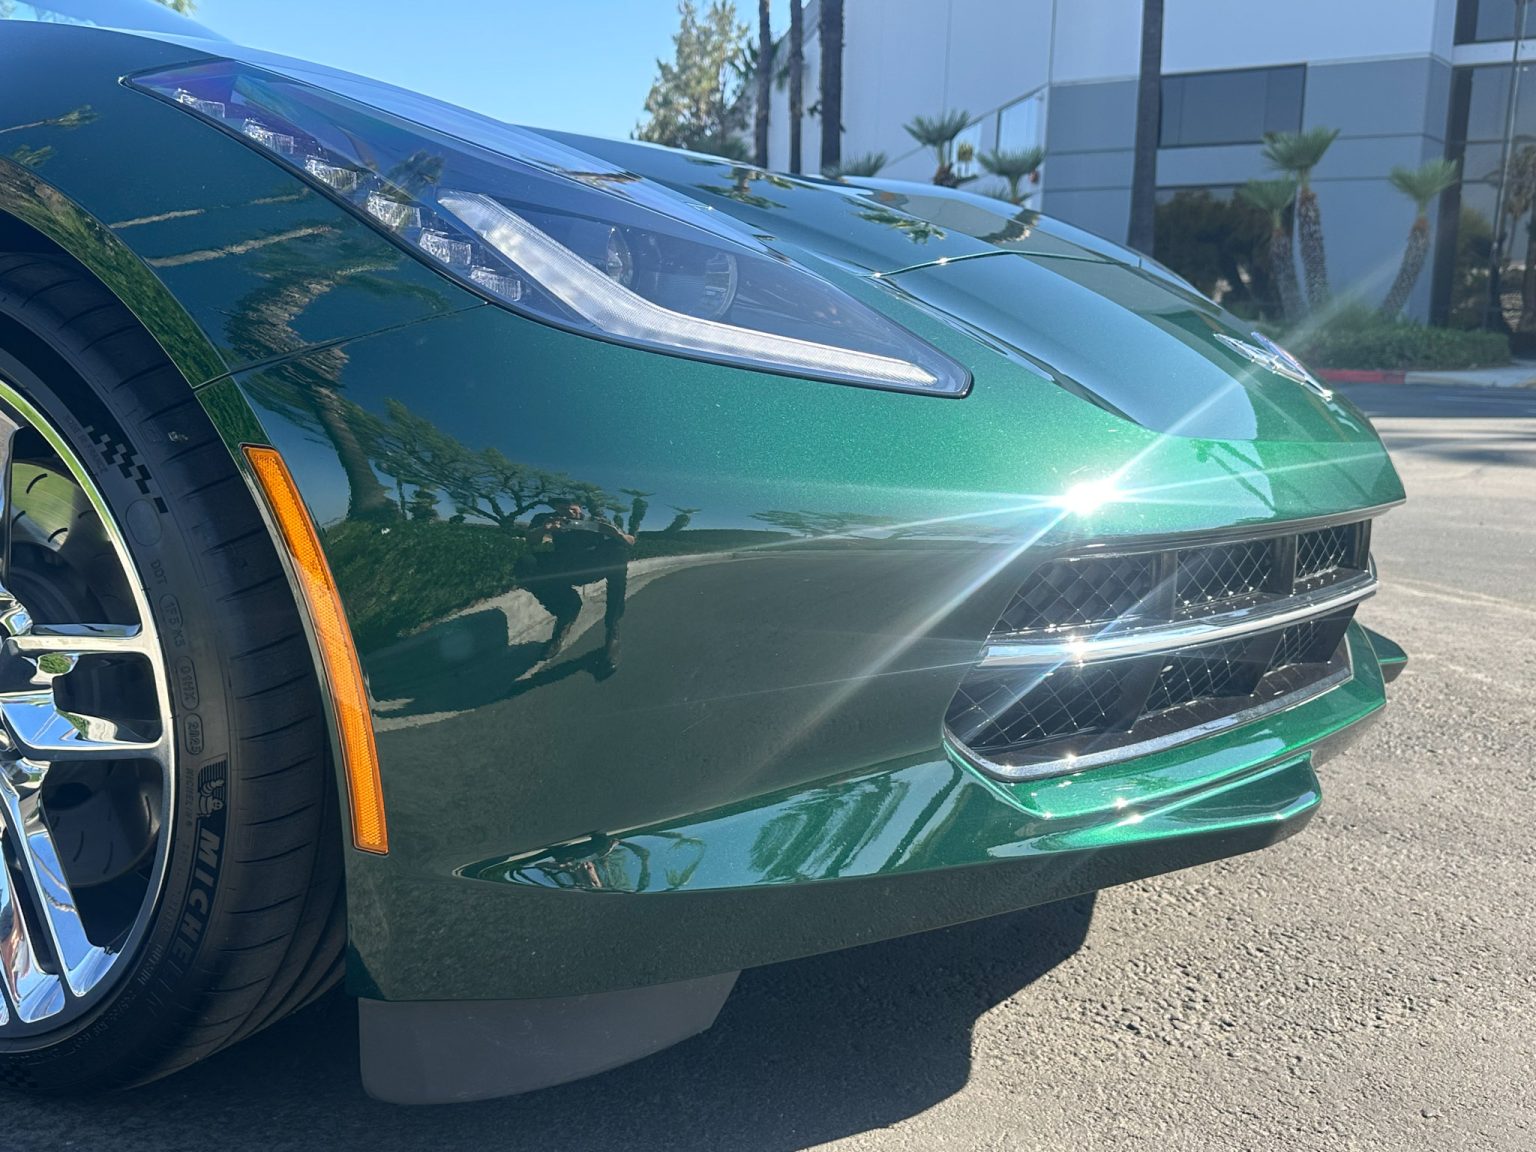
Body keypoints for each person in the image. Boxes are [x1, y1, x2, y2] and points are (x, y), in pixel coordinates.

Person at [522, 500, 633, 676]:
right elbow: (531, 540)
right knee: (526, 563)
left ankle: (612, 629)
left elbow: (630, 541)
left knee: (619, 551)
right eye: (561, 507)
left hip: (591, 566)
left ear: (580, 506)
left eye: (570, 505)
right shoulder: (546, 519)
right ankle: (567, 609)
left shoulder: (597, 519)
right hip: (564, 565)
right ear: (555, 509)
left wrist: (613, 533)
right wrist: (545, 529)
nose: (567, 510)